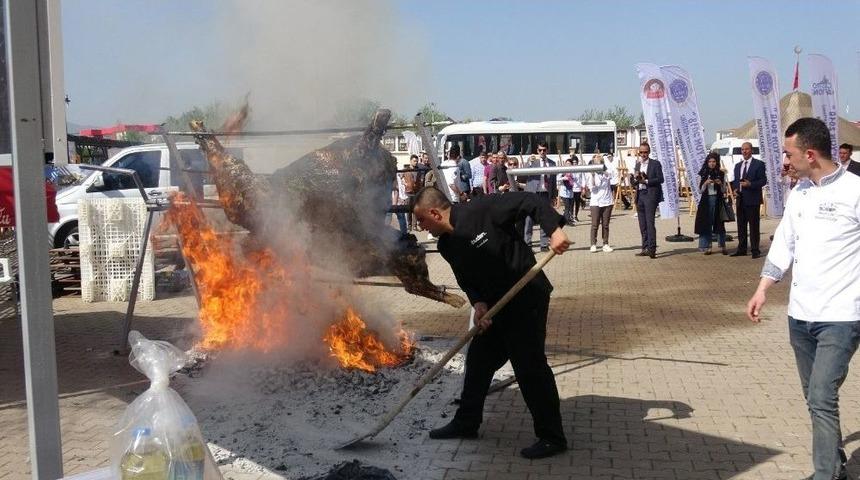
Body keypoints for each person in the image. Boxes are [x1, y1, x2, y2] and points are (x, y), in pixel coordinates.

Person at [412, 186, 571, 460]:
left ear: (434, 213)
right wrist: (478, 303)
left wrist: (554, 230)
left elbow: (528, 199)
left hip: (525, 298)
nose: (420, 226)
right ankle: (467, 422)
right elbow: (466, 278)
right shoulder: (447, 245)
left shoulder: (482, 210)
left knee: (529, 367)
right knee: (478, 361)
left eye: (422, 220)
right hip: (496, 308)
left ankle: (552, 437)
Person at [746, 117, 860, 480]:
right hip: (800, 317)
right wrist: (763, 288)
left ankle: (825, 474)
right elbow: (784, 244)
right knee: (815, 398)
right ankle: (835, 464)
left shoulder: (856, 191)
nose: (784, 160)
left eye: (788, 153)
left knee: (822, 395)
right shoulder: (800, 192)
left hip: (841, 316)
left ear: (809, 154)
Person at [730, 142, 767, 258]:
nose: (744, 151)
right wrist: (735, 189)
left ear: (751, 150)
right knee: (741, 225)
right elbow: (736, 180)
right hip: (740, 199)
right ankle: (742, 249)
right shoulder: (738, 165)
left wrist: (750, 184)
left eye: (746, 149)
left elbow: (763, 181)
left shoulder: (759, 164)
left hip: (752, 199)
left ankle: (755, 250)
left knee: (754, 226)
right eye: (742, 149)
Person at [523, 142, 557, 251]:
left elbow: (553, 181)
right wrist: (529, 163)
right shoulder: (532, 162)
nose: (542, 152)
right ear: (537, 151)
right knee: (529, 220)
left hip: (545, 194)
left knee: (544, 219)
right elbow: (523, 174)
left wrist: (554, 196)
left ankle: (544, 244)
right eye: (540, 150)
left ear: (547, 150)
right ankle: (527, 243)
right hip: (533, 193)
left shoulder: (552, 163)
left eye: (544, 150)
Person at [632, 143, 664, 258]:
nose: (643, 154)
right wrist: (634, 179)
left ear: (649, 152)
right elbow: (634, 182)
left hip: (650, 195)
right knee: (642, 224)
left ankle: (652, 249)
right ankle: (644, 247)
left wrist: (646, 181)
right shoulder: (637, 164)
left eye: (645, 152)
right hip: (640, 195)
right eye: (641, 152)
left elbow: (661, 179)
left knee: (650, 223)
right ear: (639, 153)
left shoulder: (655, 164)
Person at [693, 152, 728, 255]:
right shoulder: (703, 173)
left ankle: (722, 246)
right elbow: (699, 190)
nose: (712, 163)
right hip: (706, 201)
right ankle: (707, 246)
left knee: (719, 222)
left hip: (718, 200)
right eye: (710, 161)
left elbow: (724, 190)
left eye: (714, 161)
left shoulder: (721, 173)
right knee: (706, 223)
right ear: (707, 162)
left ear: (716, 162)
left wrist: (720, 183)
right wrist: (705, 183)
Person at [585, 155, 614, 252]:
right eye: (595, 164)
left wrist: (603, 169)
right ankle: (593, 244)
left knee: (605, 225)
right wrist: (593, 175)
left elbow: (611, 175)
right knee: (595, 224)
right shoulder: (590, 174)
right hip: (596, 202)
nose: (598, 166)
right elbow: (592, 188)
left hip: (607, 201)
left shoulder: (606, 172)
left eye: (599, 163)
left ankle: (605, 244)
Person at [557, 159, 575, 225]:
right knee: (567, 207)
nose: (568, 165)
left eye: (569, 164)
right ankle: (567, 221)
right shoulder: (563, 171)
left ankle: (563, 219)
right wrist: (563, 178)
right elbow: (558, 178)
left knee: (570, 206)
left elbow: (576, 179)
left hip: (570, 191)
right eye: (567, 163)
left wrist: (571, 178)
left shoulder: (573, 171)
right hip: (564, 192)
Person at [569, 156, 584, 222]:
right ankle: (571, 215)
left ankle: (576, 215)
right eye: (573, 162)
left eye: (576, 162)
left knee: (577, 203)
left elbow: (583, 178)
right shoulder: (570, 169)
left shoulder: (580, 169)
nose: (575, 163)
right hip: (572, 188)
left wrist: (583, 187)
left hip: (578, 188)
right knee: (572, 203)